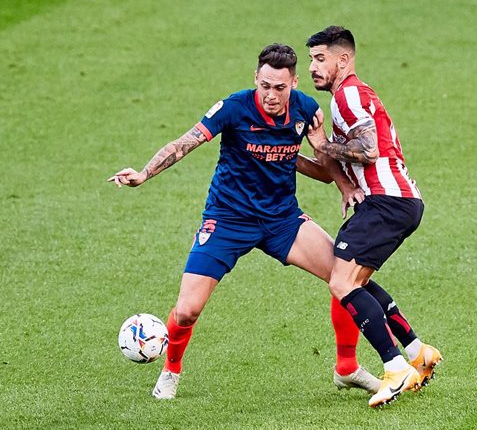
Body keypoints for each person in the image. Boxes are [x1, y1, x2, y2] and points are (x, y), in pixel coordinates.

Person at [108, 43, 380, 400]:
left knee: (344, 277)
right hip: (227, 220)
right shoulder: (234, 107)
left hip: (282, 219)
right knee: (187, 310)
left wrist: (343, 185)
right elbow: (185, 142)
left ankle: (347, 368)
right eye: (264, 85)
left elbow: (324, 164)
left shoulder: (306, 110)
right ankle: (171, 369)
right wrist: (144, 173)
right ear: (256, 78)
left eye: (279, 87)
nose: (270, 94)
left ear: (294, 84)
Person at [305, 26, 443, 407]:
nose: (313, 67)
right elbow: (332, 165)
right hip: (397, 201)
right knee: (355, 281)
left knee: (342, 283)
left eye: (321, 59)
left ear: (343, 59)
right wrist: (288, 159)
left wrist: (321, 144)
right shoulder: (352, 95)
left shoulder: (347, 94)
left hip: (387, 200)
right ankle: (417, 352)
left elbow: (367, 150)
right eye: (311, 59)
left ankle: (395, 367)